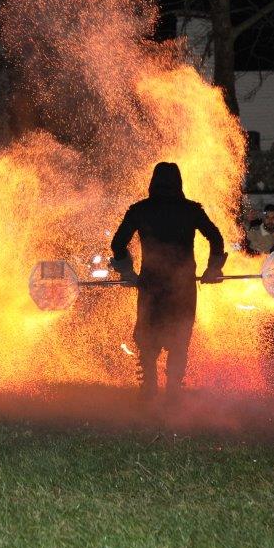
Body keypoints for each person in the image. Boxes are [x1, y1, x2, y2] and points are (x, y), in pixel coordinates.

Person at [109, 162, 225, 399]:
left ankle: (149, 386)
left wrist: (127, 271)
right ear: (179, 182)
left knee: (147, 334)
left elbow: (118, 244)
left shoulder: (140, 210)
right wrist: (212, 269)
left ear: (153, 181)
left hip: (151, 284)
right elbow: (216, 238)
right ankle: (173, 388)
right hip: (182, 285)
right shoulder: (191, 210)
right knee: (180, 336)